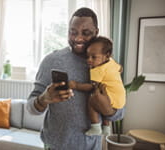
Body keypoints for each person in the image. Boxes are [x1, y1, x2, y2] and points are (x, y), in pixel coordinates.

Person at [27, 7, 124, 150]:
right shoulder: (51, 61)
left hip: (91, 146)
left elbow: (120, 112)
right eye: (73, 32)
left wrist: (108, 109)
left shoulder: (106, 65)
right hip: (54, 145)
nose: (78, 38)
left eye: (86, 33)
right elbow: (30, 107)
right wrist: (44, 98)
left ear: (96, 32)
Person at [69, 36, 126, 136]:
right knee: (101, 96)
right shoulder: (111, 62)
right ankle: (106, 127)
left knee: (93, 100)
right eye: (88, 56)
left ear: (107, 55)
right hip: (120, 96)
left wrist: (76, 85)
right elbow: (120, 68)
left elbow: (92, 86)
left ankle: (95, 126)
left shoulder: (97, 69)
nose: (89, 60)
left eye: (94, 57)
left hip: (111, 98)